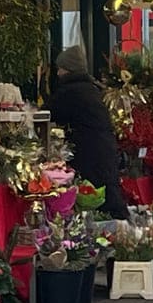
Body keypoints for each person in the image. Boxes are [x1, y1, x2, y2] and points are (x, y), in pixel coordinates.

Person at [49, 45, 129, 220]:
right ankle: (120, 226)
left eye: (60, 68)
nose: (58, 73)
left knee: (100, 194)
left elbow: (49, 113)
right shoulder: (90, 88)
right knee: (108, 189)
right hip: (102, 150)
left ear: (68, 69)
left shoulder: (70, 91)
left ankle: (117, 227)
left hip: (89, 152)